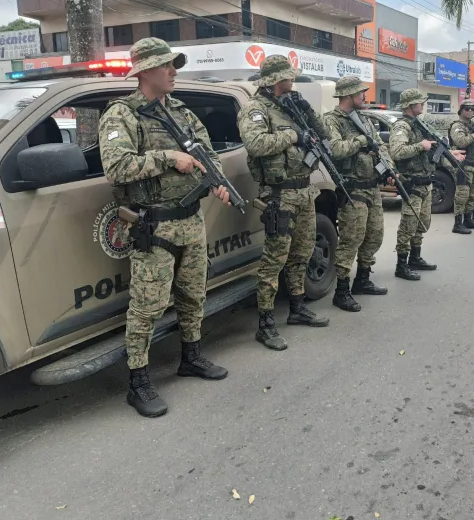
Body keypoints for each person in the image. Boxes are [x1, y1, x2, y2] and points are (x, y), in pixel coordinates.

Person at [99, 37, 232, 418]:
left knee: (194, 294)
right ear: (143, 72)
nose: (174, 71)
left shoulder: (182, 113)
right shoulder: (122, 115)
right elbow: (118, 167)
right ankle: (138, 381)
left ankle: (191, 357)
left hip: (190, 221)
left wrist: (218, 182)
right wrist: (169, 156)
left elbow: (207, 156)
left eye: (175, 64)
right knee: (148, 307)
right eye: (166, 65)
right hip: (153, 227)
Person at [237, 55, 331, 352]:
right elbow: (257, 145)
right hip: (280, 194)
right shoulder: (255, 109)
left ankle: (298, 307)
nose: (293, 81)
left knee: (302, 252)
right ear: (275, 80)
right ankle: (265, 323)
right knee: (274, 260)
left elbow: (324, 135)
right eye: (289, 77)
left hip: (305, 190)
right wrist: (293, 134)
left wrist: (307, 113)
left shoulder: (292, 106)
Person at [324, 76, 390, 312]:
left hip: (372, 188)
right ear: (349, 95)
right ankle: (342, 291)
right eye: (361, 92)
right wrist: (361, 140)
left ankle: (363, 279)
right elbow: (336, 149)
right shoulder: (332, 120)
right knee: (351, 239)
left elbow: (380, 147)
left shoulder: (364, 118)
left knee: (375, 235)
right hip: (352, 190)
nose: (365, 96)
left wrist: (389, 168)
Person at [390, 89, 464, 279]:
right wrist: (420, 146)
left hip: (426, 182)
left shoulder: (418, 124)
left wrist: (450, 154)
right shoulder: (402, 126)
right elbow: (397, 151)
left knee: (422, 223)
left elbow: (431, 153)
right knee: (408, 225)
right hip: (412, 183)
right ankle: (401, 265)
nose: (422, 105)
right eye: (419, 102)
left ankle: (415, 258)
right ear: (409, 105)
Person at [449, 101, 474, 233]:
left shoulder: (473, 125)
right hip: (464, 166)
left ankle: (468, 219)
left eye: (472, 109)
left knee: (473, 195)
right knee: (462, 195)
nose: (470, 111)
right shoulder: (458, 126)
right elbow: (460, 141)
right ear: (461, 111)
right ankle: (458, 223)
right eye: (467, 109)